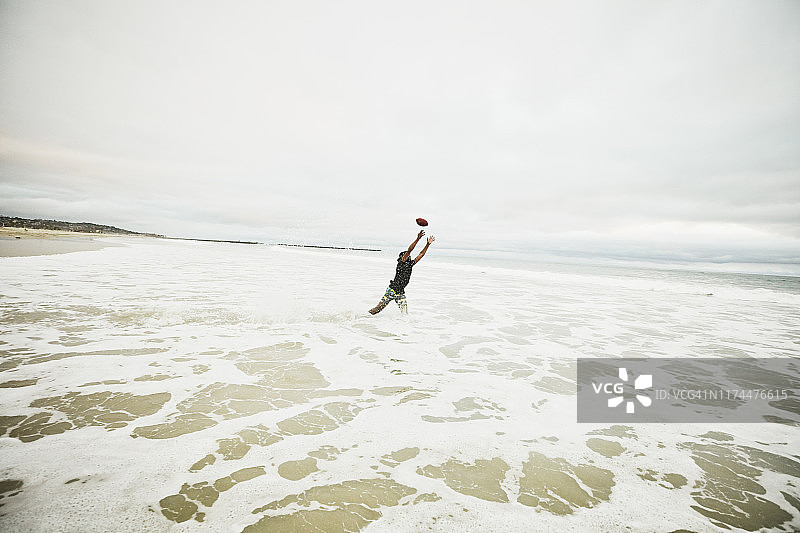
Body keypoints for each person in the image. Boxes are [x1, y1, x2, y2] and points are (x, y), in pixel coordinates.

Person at [369, 230, 435, 315]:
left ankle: (402, 327)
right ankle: (363, 317)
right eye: (407, 255)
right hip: (392, 290)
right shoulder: (401, 263)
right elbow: (409, 250)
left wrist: (427, 244)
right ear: (402, 257)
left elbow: (421, 254)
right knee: (377, 309)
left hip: (400, 292)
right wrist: (418, 238)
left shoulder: (411, 264)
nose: (410, 256)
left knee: (405, 313)